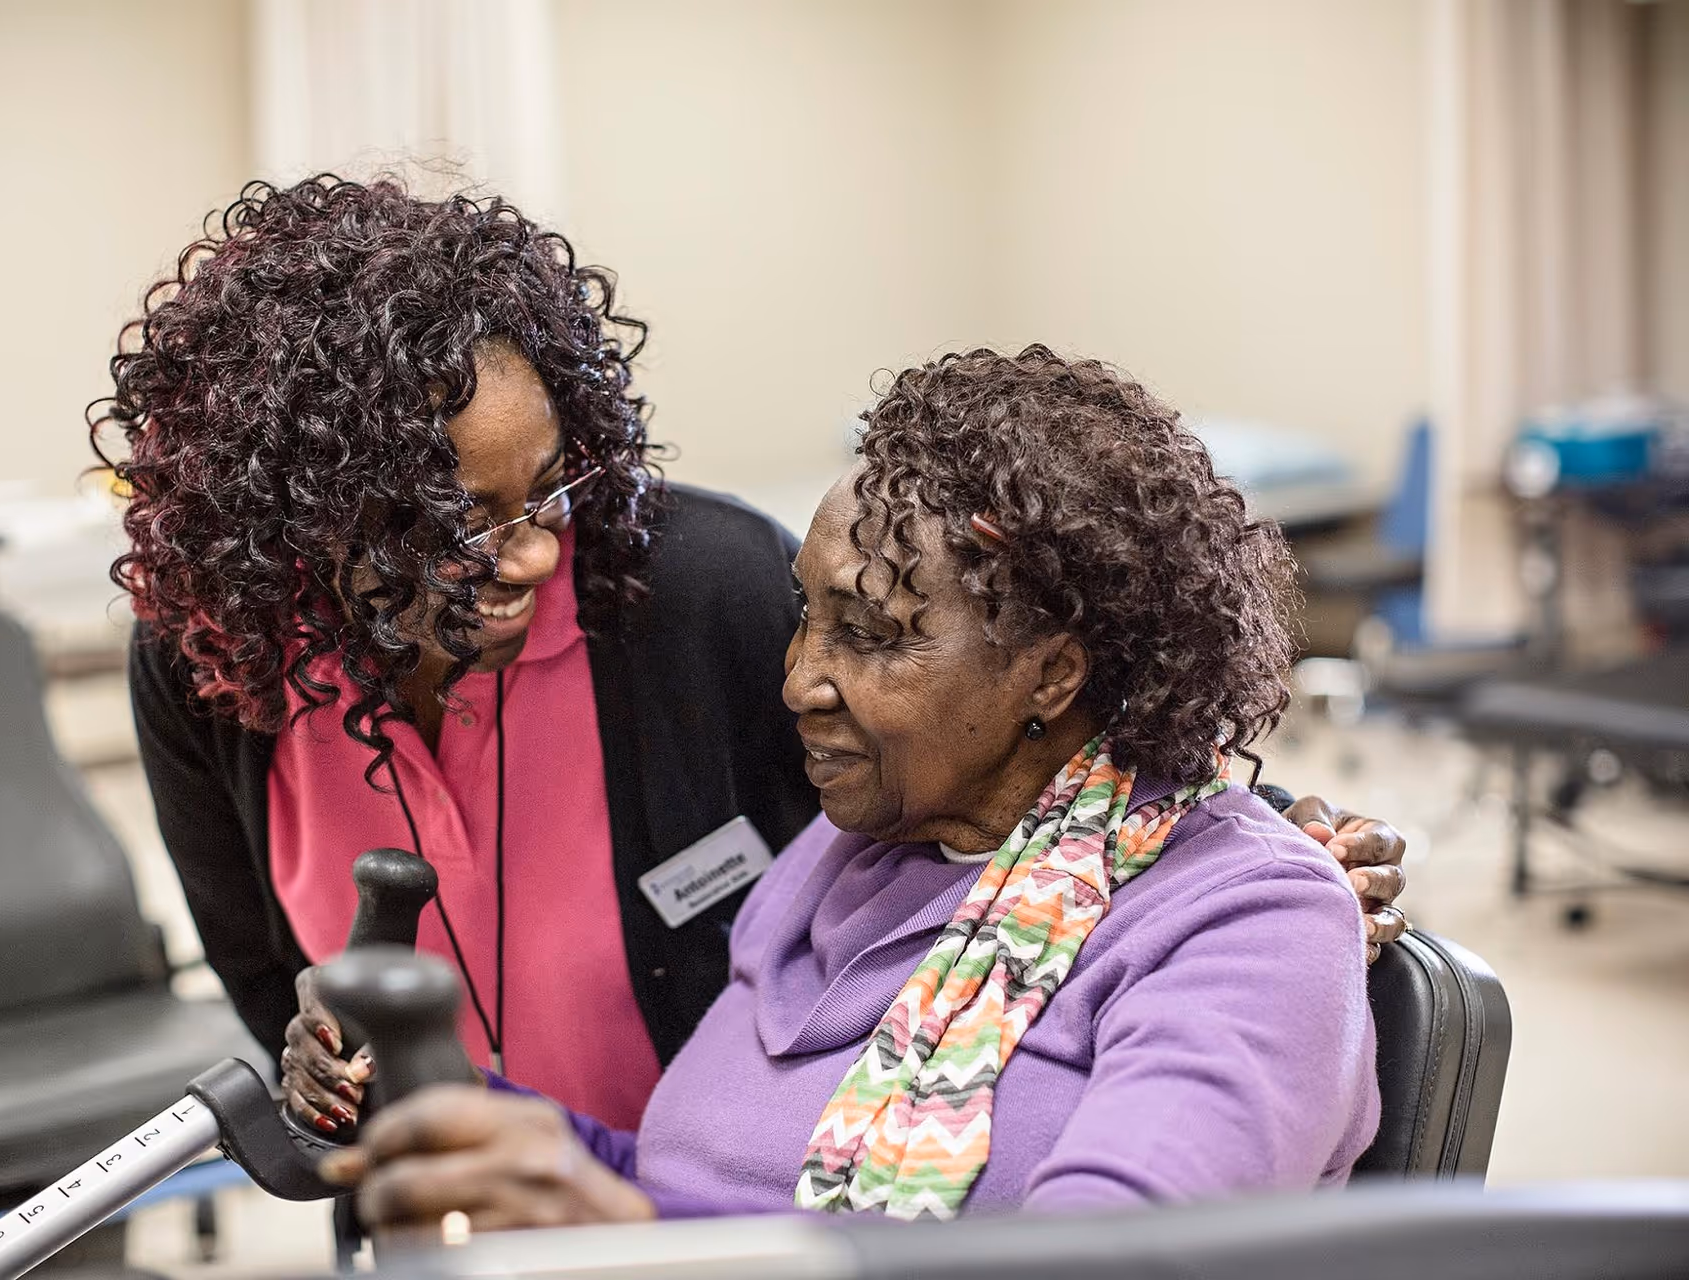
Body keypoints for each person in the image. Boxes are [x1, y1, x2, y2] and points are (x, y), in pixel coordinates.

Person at [96, 175, 1407, 1137]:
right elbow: (277, 996)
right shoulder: (217, 670)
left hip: (713, 1208)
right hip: (468, 1209)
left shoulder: (697, 593)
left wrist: (1254, 834)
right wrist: (321, 1067)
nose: (533, 555)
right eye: (451, 529)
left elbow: (985, 748)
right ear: (301, 529)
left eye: (545, 494)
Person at [324, 348, 1379, 1228]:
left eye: (872, 634)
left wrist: (639, 1242)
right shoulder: (850, 854)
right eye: (806, 616)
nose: (798, 680)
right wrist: (435, 1095)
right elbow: (678, 1177)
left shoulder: (1246, 919)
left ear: (1053, 671)